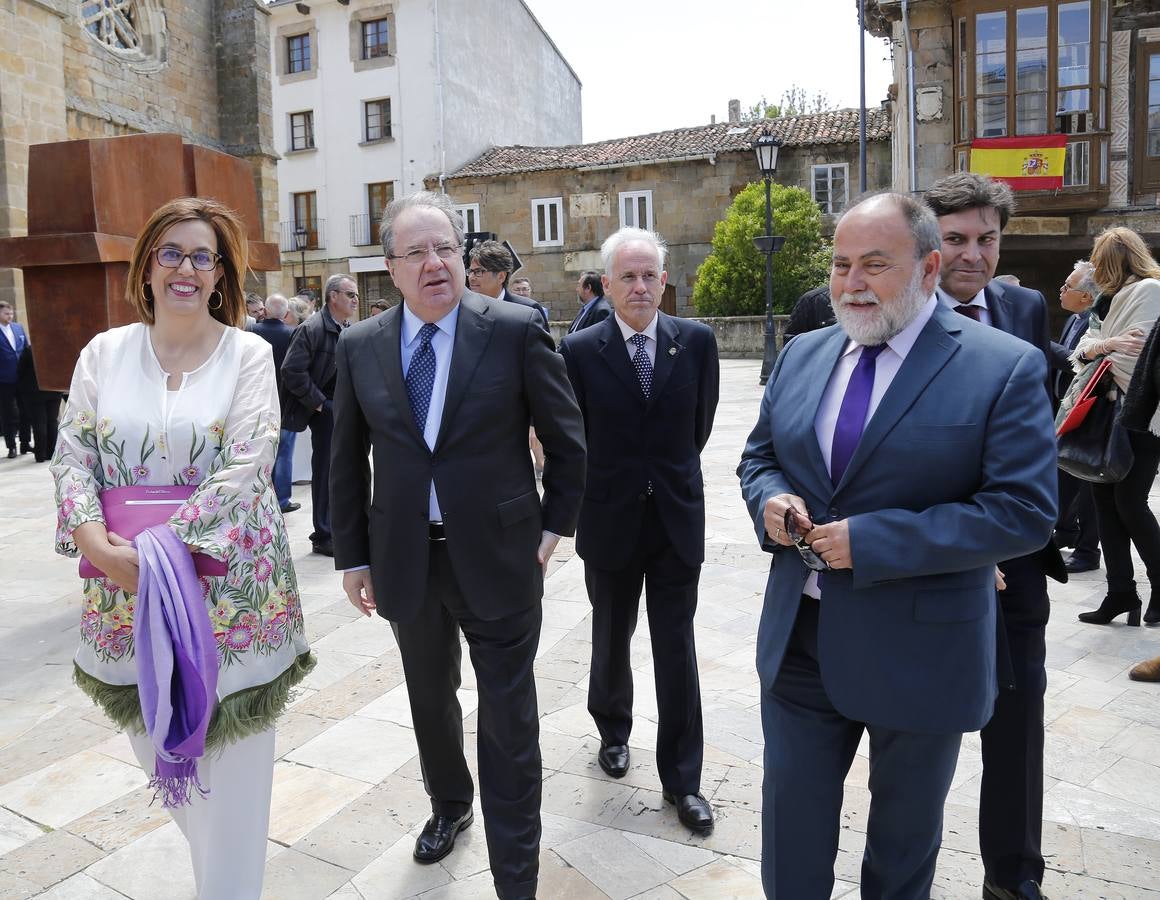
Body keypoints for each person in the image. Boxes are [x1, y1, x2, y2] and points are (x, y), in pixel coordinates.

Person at [738, 192, 1057, 900]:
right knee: (791, 846)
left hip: (924, 650)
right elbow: (760, 456)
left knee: (900, 858)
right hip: (802, 642)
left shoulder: (1002, 366)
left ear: (929, 268)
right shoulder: (804, 354)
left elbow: (1024, 511)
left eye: (876, 264)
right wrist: (770, 499)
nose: (852, 282)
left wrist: (875, 542)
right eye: (842, 263)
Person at [50, 197, 314, 899]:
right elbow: (72, 455)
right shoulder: (103, 354)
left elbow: (247, 460)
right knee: (173, 774)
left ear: (223, 275)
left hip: (231, 608)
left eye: (203, 256)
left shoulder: (249, 353)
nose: (186, 269)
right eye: (171, 252)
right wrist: (94, 545)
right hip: (123, 597)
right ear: (147, 267)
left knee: (236, 791)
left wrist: (158, 551)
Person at [330, 190, 586, 900]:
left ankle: (515, 873)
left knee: (508, 718)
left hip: (502, 557)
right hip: (406, 559)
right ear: (390, 267)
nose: (435, 263)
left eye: (445, 247)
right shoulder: (361, 345)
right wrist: (353, 554)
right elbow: (347, 460)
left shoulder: (514, 329)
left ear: (463, 256)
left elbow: (569, 441)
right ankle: (449, 804)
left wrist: (553, 526)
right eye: (416, 252)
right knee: (428, 695)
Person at [926, 171, 1065, 900]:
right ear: (929, 243)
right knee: (920, 738)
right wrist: (965, 548)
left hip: (1020, 568)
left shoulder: (1024, 307)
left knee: (1018, 729)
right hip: (936, 568)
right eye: (955, 240)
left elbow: (1030, 442)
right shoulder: (899, 315)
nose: (972, 255)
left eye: (987, 239)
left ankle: (1015, 878)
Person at [560, 227, 719, 832]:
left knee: (676, 647)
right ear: (606, 284)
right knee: (611, 635)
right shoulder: (581, 350)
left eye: (650, 275)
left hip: (677, 519)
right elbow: (573, 440)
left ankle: (684, 780)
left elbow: (697, 427)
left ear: (664, 279)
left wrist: (663, 478)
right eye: (627, 276)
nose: (640, 287)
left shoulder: (695, 342)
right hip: (610, 519)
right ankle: (612, 728)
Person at [1072, 227, 1160, 631]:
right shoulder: (1106, 301)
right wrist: (1104, 346)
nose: (1097, 268)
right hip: (1107, 415)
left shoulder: (1149, 291)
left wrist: (1099, 347)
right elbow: (1085, 349)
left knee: (1131, 503)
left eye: (1100, 260)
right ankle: (1120, 592)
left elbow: (1142, 351)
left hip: (1142, 414)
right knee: (1105, 504)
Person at [281, 273, 358, 556]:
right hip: (326, 411)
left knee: (340, 473)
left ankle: (336, 530)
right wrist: (319, 404)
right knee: (326, 473)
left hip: (340, 409)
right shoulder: (312, 328)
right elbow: (292, 371)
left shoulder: (343, 327)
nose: (355, 300)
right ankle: (323, 535)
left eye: (356, 295)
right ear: (333, 296)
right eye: (350, 294)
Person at [1050, 262, 1101, 573]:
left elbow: (1076, 365)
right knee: (1065, 476)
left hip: (1089, 413)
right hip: (1067, 408)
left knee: (1088, 486)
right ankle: (1066, 531)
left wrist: (1038, 344)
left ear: (1085, 297)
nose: (1061, 290)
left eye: (1068, 286)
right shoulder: (1075, 318)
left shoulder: (1096, 322)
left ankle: (1087, 551)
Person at [250, 294, 299, 513]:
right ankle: (282, 500)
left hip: (256, 403)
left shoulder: (251, 333)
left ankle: (259, 498)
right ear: (286, 314)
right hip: (286, 403)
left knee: (258, 453)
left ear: (266, 311)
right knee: (285, 453)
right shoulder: (292, 335)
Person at [467, 240, 549, 329]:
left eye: (478, 272)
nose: (471, 278)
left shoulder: (528, 310)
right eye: (470, 271)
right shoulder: (466, 308)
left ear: (501, 276)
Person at [16, 339, 64, 464]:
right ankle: (52, 452)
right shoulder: (57, 350)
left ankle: (40, 454)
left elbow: (20, 371)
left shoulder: (29, 350)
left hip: (34, 392)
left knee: (39, 423)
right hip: (54, 390)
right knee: (52, 421)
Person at [0, 300, 31, 458]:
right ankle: (11, 446)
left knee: (25, 412)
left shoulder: (18, 328)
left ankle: (25, 444)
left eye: (11, 313)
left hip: (22, 379)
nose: (10, 316)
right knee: (9, 414)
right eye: (6, 313)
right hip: (4, 380)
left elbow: (26, 348)